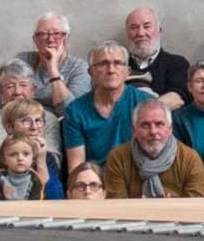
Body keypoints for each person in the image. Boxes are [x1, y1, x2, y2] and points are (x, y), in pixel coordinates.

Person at [61, 45, 156, 176]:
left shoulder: (148, 104)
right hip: (97, 183)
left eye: (117, 63)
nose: (111, 70)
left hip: (138, 179)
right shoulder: (75, 110)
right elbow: (77, 167)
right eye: (103, 64)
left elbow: (157, 155)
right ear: (91, 72)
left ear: (128, 71)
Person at [102, 98, 204, 198]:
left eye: (159, 124)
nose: (153, 132)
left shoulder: (190, 159)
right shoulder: (118, 158)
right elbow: (117, 207)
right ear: (134, 130)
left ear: (170, 129)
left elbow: (195, 208)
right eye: (145, 125)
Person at [0, 99, 61, 199]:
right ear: (9, 127)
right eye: (26, 121)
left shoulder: (47, 157)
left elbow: (56, 199)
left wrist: (41, 161)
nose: (34, 127)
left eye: (38, 121)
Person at [0, 60, 61, 164]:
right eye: (10, 86)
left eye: (23, 85)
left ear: (33, 89)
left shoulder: (48, 119)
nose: (17, 92)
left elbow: (55, 161)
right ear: (0, 90)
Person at [122, 10, 191, 105]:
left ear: (160, 30)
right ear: (127, 34)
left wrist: (142, 113)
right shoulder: (118, 65)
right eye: (134, 28)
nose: (141, 33)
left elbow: (177, 99)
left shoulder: (178, 64)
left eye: (147, 26)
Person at [25, 17, 90, 117]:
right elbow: (10, 103)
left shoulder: (79, 67)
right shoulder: (24, 60)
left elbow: (71, 112)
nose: (50, 39)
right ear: (35, 40)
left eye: (57, 34)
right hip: (23, 124)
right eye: (43, 34)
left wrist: (53, 68)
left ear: (66, 38)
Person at [0, 131, 58, 202]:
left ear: (33, 158)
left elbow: (38, 200)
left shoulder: (35, 178)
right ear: (4, 159)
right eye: (13, 154)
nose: (20, 158)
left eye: (26, 154)